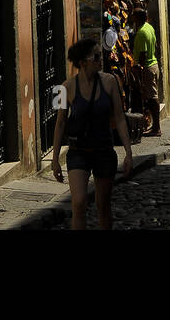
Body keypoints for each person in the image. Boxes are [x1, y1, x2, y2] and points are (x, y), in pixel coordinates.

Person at [52, 37, 133, 229]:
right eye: (96, 57)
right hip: (78, 152)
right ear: (83, 62)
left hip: (104, 150)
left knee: (103, 205)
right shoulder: (64, 88)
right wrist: (55, 159)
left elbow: (120, 118)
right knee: (78, 203)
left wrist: (128, 153)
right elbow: (60, 123)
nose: (101, 60)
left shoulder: (111, 81)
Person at [131, 9, 161, 138]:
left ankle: (156, 128)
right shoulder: (149, 27)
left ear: (137, 18)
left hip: (147, 67)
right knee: (150, 98)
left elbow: (142, 54)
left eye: (133, 16)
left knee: (152, 98)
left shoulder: (142, 32)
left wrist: (140, 69)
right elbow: (155, 45)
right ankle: (153, 126)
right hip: (153, 65)